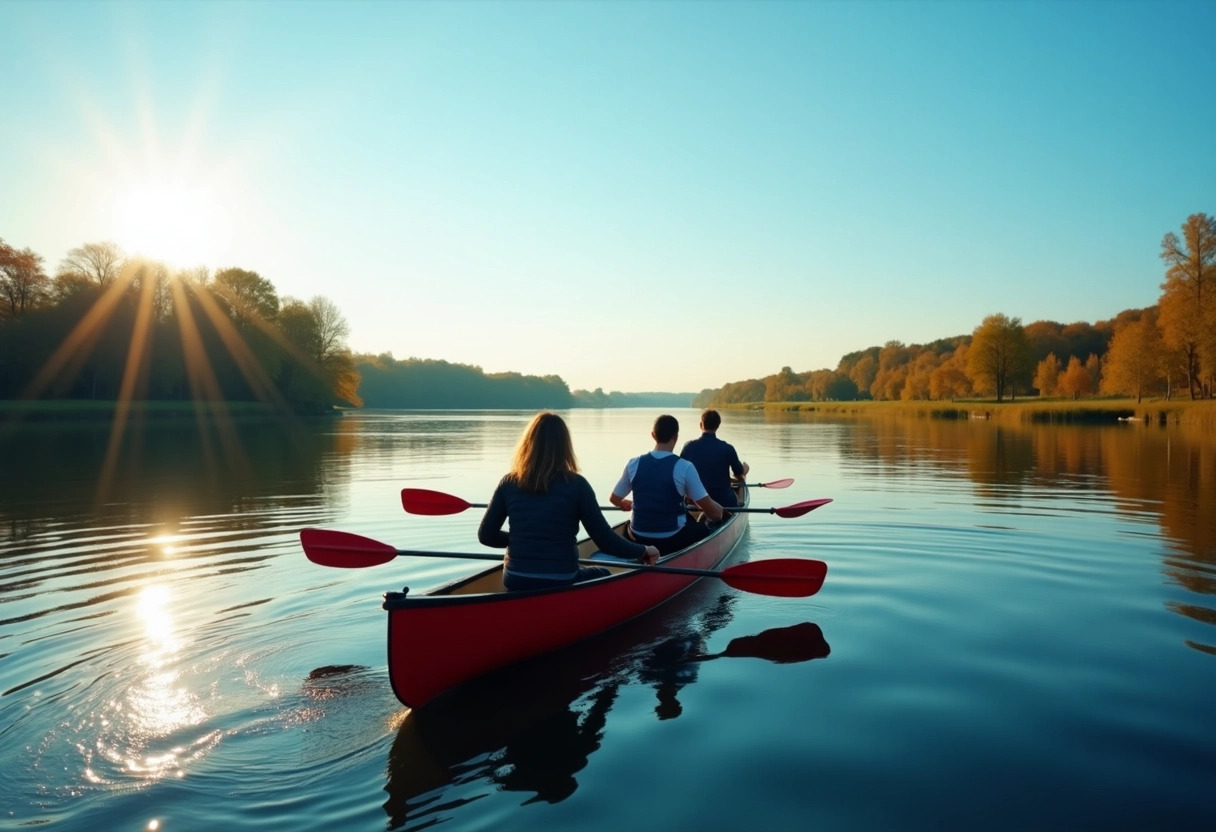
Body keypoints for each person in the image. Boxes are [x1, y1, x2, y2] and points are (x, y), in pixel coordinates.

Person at [478, 411, 659, 592]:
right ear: (565, 446)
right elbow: (605, 540)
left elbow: (486, 536)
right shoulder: (577, 485)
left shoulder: (509, 482)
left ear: (527, 444)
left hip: (515, 578)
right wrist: (643, 550)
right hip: (561, 577)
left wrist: (522, 540)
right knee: (603, 573)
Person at [609, 414, 726, 556]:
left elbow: (614, 499)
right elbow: (713, 512)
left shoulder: (633, 463)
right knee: (709, 525)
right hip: (671, 539)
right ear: (675, 437)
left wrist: (624, 503)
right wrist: (719, 511)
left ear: (653, 435)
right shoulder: (685, 467)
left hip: (637, 537)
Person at [679, 409, 749, 508]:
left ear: (701, 425)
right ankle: (739, 505)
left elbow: (680, 475)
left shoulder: (688, 447)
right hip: (724, 502)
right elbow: (739, 474)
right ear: (718, 426)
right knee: (742, 481)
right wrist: (744, 472)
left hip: (696, 502)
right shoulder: (728, 448)